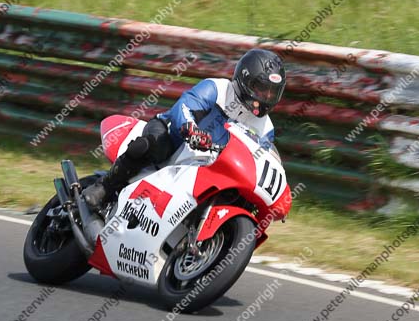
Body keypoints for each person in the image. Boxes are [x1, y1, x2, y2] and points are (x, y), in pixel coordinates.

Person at [83, 49, 286, 210]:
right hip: (174, 136)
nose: (265, 97)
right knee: (156, 144)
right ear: (245, 80)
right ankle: (104, 186)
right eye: (261, 89)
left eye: (271, 92)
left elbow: (259, 160)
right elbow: (185, 105)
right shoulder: (218, 89)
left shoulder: (266, 128)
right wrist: (191, 130)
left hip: (209, 167)